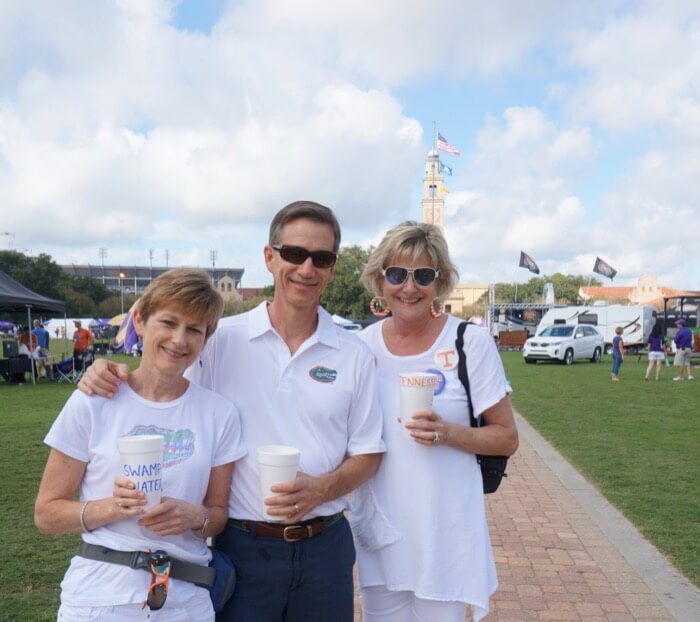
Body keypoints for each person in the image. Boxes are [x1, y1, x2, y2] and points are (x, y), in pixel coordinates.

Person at [77, 200, 385, 622]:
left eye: (322, 258)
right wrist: (108, 370)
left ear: (333, 267)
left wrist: (321, 489)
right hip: (242, 545)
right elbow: (163, 382)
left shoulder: (354, 352)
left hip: (323, 547)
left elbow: (369, 453)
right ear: (269, 257)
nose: (306, 268)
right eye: (294, 253)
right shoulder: (221, 340)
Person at [35, 268, 246, 620]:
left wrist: (196, 518)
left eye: (194, 329)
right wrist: (113, 507)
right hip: (100, 598)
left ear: (205, 339)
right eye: (169, 322)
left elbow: (217, 515)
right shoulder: (93, 401)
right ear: (140, 321)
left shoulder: (219, 414)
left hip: (186, 601)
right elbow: (46, 514)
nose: (179, 340)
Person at [351, 221, 519, 622]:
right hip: (381, 535)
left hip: (444, 536)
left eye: (423, 275)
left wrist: (448, 432)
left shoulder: (468, 342)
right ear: (380, 279)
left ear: (439, 282)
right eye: (397, 274)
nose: (409, 287)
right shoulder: (360, 347)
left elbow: (506, 437)